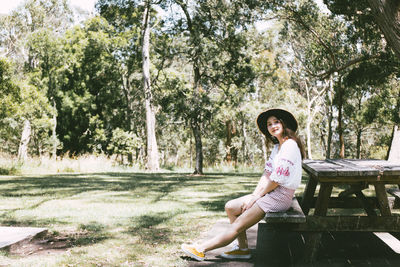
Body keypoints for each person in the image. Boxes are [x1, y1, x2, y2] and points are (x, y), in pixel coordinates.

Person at [181, 108, 306, 261]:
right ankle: (242, 249)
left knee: (239, 224)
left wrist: (256, 198)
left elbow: (276, 180)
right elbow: (267, 175)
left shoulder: (290, 146)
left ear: (284, 124)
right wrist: (254, 195)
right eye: (269, 124)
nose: (273, 126)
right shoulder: (277, 147)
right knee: (231, 207)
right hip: (271, 192)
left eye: (277, 122)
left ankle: (200, 249)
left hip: (280, 197)